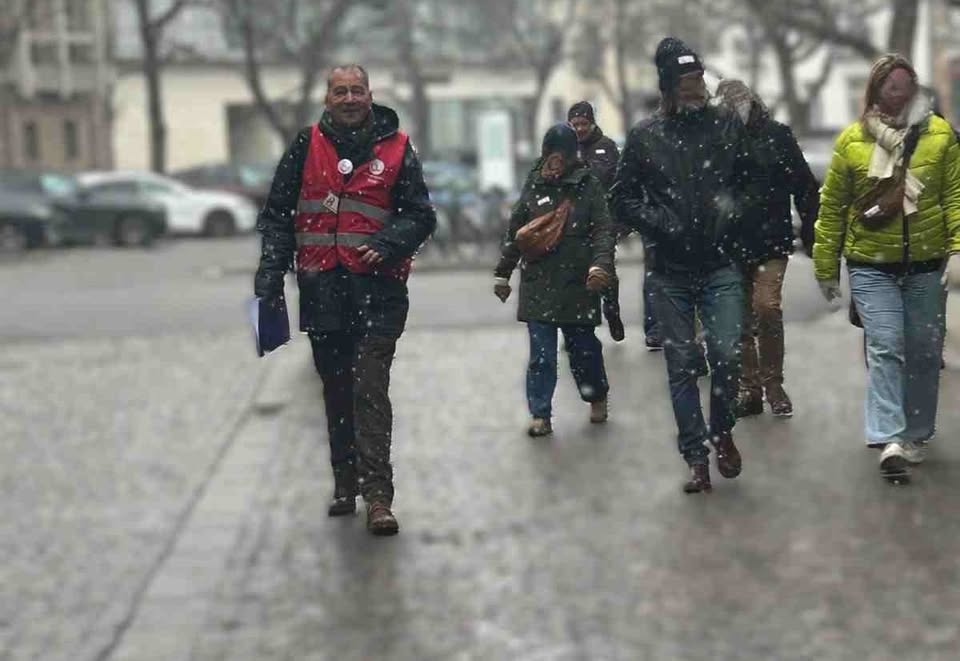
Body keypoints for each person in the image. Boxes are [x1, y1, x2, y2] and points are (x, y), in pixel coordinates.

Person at [253, 64, 437, 535]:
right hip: (323, 292)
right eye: (341, 91)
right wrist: (270, 275)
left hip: (378, 293)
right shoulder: (305, 146)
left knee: (368, 390)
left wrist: (390, 242)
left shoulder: (397, 147)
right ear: (327, 98)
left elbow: (421, 215)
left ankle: (378, 498)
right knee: (336, 391)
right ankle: (345, 482)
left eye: (357, 90)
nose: (350, 99)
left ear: (370, 95)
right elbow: (277, 216)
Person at [609, 37, 749, 493]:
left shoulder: (725, 125)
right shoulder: (646, 136)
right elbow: (621, 198)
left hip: (720, 262)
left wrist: (732, 215)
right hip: (669, 269)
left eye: (699, 79)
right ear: (669, 87)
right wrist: (661, 223)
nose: (696, 88)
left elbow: (749, 180)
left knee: (727, 354)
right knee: (683, 364)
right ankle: (696, 457)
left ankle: (722, 429)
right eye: (686, 81)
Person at [814, 54, 960, 481]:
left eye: (905, 85)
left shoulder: (940, 136)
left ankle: (915, 433)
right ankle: (889, 437)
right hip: (870, 265)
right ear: (875, 91)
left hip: (926, 264)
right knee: (886, 345)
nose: (898, 93)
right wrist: (826, 266)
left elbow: (955, 196)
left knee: (925, 351)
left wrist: (958, 249)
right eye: (890, 86)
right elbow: (833, 207)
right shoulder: (852, 141)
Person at [494, 123, 616, 437]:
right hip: (539, 283)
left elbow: (603, 230)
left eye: (562, 153)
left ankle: (595, 395)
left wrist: (599, 266)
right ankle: (540, 414)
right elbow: (517, 230)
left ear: (572, 154)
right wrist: (503, 272)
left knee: (583, 351)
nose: (556, 159)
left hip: (578, 284)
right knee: (542, 356)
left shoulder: (588, 185)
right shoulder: (535, 182)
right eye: (552, 152)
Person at [715, 80, 820, 419]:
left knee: (766, 307)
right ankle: (750, 388)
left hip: (770, 240)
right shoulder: (716, 140)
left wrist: (810, 230)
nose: (735, 108)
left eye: (739, 100)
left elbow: (804, 184)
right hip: (729, 243)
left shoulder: (777, 135)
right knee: (739, 318)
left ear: (752, 101)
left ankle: (773, 383)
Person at [567, 101, 625, 342]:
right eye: (575, 124)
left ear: (592, 123)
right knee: (575, 274)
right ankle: (580, 325)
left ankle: (611, 309)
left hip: (603, 221)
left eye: (583, 124)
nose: (580, 129)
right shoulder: (565, 148)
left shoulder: (606, 147)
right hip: (572, 223)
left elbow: (604, 178)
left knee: (604, 268)